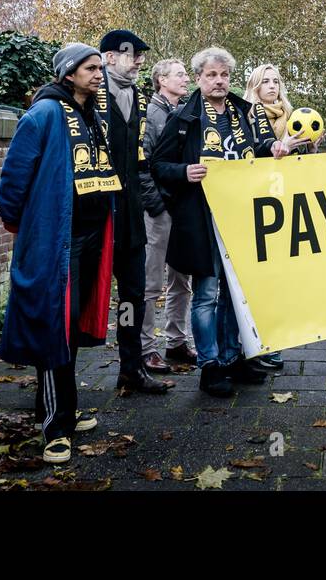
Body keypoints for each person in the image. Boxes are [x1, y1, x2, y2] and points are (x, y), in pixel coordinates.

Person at [151, 47, 299, 396]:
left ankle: (234, 357)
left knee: (237, 292)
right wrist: (184, 171)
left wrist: (276, 149)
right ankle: (210, 365)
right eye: (211, 75)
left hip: (242, 216)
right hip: (202, 218)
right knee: (206, 293)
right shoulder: (184, 119)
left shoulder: (246, 112)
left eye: (224, 75)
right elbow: (158, 165)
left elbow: (259, 150)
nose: (219, 82)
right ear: (199, 79)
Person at [0, 43, 115, 464]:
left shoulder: (91, 115)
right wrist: (26, 227)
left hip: (88, 237)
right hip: (56, 240)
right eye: (90, 68)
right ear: (69, 73)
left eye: (100, 67)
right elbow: (13, 180)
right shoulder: (45, 114)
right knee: (55, 329)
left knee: (72, 327)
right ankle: (55, 427)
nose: (98, 73)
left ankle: (57, 406)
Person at [98, 28, 172, 394]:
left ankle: (131, 366)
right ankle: (58, 380)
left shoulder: (140, 99)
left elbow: (141, 159)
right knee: (81, 295)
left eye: (142, 54)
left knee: (133, 293)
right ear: (109, 57)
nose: (139, 59)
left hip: (130, 215)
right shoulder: (88, 97)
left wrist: (148, 200)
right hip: (95, 214)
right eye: (131, 53)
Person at [243, 62, 324, 370]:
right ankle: (254, 343)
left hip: (288, 201)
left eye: (276, 81)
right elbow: (249, 152)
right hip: (258, 201)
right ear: (255, 86)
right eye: (265, 81)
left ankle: (274, 338)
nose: (272, 86)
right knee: (257, 277)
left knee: (280, 276)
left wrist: (311, 149)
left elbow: (302, 163)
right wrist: (276, 149)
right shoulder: (248, 117)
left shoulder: (295, 118)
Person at [138, 58, 194, 374]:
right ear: (162, 80)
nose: (186, 79)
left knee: (181, 279)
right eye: (180, 74)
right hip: (158, 211)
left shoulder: (183, 113)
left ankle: (176, 341)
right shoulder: (151, 114)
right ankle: (146, 349)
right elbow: (140, 164)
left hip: (181, 208)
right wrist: (156, 205)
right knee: (151, 282)